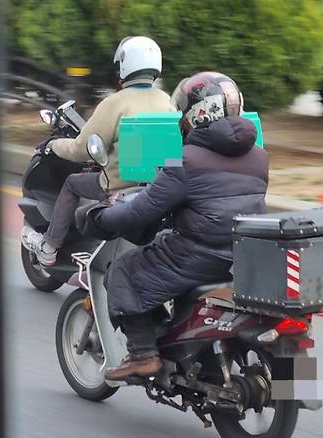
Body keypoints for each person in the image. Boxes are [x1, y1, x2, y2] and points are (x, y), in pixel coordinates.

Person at [83, 72, 269, 379]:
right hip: (241, 254)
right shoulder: (259, 156)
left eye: (183, 114)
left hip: (197, 256)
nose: (181, 121)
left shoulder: (186, 160)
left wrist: (100, 217)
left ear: (197, 114)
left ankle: (143, 355)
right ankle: (298, 388)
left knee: (123, 271)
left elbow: (141, 211)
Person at [21, 36, 177, 265]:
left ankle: (49, 247)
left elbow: (80, 149)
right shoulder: (167, 101)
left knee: (72, 183)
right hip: (158, 185)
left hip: (118, 185)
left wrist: (52, 146)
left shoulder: (115, 103)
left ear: (126, 64)